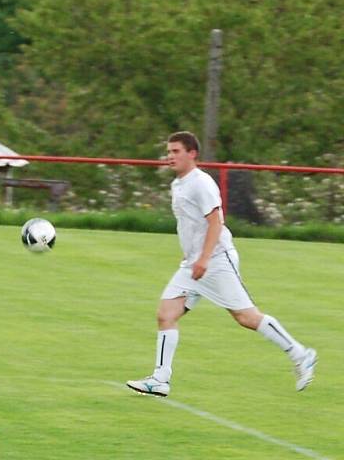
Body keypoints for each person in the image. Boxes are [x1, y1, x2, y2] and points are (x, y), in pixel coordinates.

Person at [126, 131, 317, 397]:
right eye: (168, 152)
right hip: (192, 264)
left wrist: (204, 258)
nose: (169, 157)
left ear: (192, 153)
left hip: (215, 261)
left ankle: (301, 354)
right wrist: (194, 258)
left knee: (246, 317)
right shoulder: (178, 184)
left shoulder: (200, 183)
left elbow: (216, 222)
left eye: (176, 151)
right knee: (166, 314)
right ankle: (160, 379)